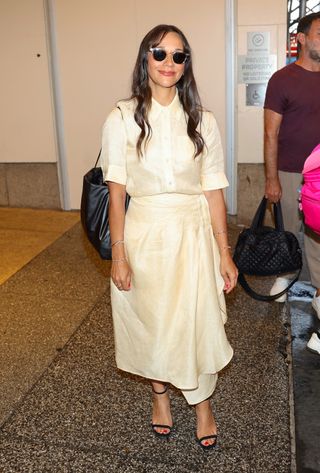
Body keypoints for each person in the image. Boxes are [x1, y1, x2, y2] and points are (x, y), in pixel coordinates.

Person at [100, 24, 238, 449]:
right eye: (160, 53)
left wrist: (224, 252)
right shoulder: (122, 117)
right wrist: (119, 255)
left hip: (193, 234)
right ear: (146, 57)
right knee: (155, 323)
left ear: (186, 65)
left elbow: (213, 189)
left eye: (179, 56)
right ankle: (160, 395)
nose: (169, 63)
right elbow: (117, 192)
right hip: (144, 235)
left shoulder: (203, 121)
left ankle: (202, 405)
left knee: (197, 325)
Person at [264, 12, 320, 354]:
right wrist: (271, 178)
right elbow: (270, 133)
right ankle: (286, 276)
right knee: (287, 232)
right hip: (286, 170)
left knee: (317, 237)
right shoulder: (282, 79)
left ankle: (318, 292)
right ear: (301, 38)